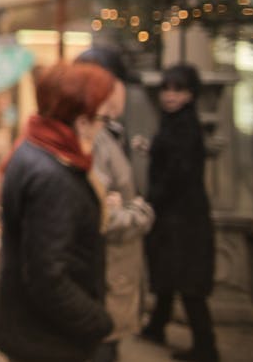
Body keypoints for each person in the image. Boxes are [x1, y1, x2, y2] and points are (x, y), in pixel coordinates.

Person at [0, 62, 116, 362]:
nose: (103, 124)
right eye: (101, 116)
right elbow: (47, 276)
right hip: (46, 337)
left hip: (32, 328)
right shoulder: (52, 174)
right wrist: (98, 321)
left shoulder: (35, 148)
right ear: (81, 121)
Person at [75, 46, 155, 362]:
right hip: (103, 281)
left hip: (113, 277)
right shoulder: (93, 135)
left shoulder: (109, 131)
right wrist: (140, 212)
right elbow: (99, 213)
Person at [140, 64, 219, 362]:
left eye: (178, 90)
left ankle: (206, 347)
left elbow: (178, 173)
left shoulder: (184, 127)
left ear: (190, 94)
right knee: (170, 277)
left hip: (182, 218)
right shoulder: (174, 122)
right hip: (176, 215)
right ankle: (157, 327)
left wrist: (150, 201)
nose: (170, 96)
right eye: (166, 89)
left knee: (188, 283)